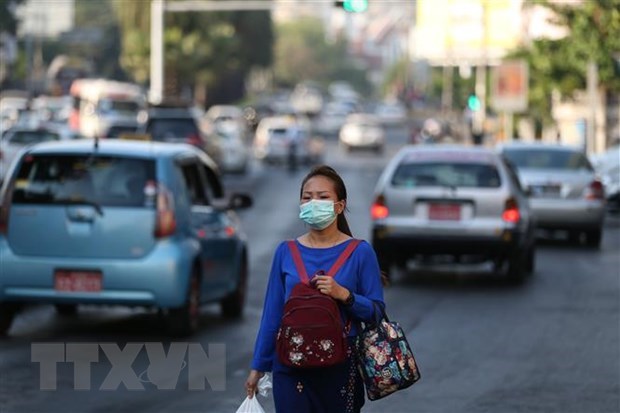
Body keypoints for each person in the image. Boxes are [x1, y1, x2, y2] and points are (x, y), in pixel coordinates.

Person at [244, 165, 385, 413]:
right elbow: (272, 316)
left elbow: (377, 314)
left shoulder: (360, 252)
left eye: (322, 197)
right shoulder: (285, 252)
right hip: (290, 365)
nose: (313, 203)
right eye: (307, 197)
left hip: (340, 368)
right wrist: (258, 367)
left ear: (339, 206)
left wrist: (345, 295)